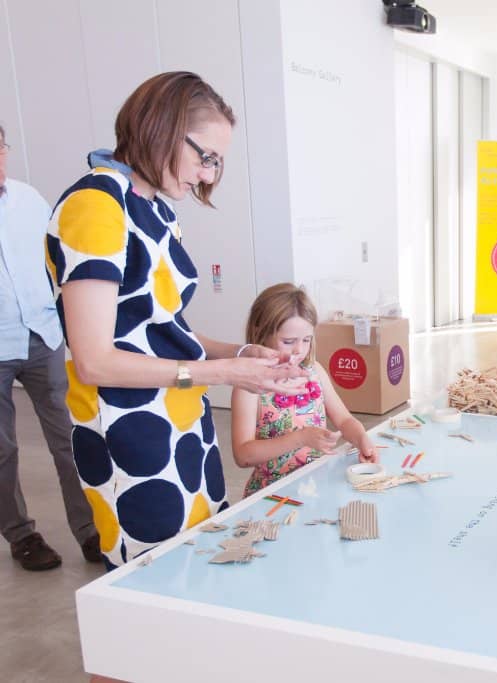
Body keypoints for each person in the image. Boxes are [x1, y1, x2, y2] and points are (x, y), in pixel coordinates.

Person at [45, 72, 306, 568]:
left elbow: (163, 330)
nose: (208, 175)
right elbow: (97, 361)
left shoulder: (154, 210)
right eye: (204, 157)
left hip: (181, 418)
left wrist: (242, 353)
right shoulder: (96, 207)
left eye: (217, 163)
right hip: (130, 430)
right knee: (158, 577)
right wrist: (224, 373)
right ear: (159, 128)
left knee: (200, 560)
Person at [0, 125, 100, 570]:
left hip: (42, 336)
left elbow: (54, 259)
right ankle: (21, 535)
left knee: (71, 440)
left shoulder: (29, 199)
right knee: (3, 450)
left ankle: (90, 530)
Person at [232, 284, 378, 497]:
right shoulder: (249, 386)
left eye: (307, 340)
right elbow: (243, 455)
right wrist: (300, 438)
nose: (299, 349)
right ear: (261, 332)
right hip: (272, 495)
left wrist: (361, 438)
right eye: (288, 341)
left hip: (315, 485)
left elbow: (344, 420)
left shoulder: (314, 372)